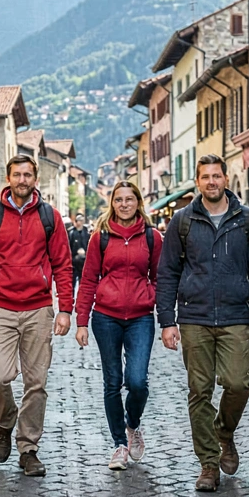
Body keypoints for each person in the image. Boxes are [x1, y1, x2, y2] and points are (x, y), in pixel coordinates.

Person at [156, 155, 249, 492]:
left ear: (225, 180)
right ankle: (208, 464)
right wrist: (167, 320)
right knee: (200, 391)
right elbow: (167, 272)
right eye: (205, 176)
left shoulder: (246, 219)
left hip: (235, 316)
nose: (212, 181)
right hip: (194, 317)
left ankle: (223, 431)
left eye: (217, 176)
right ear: (198, 181)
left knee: (238, 383)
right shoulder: (183, 220)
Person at [0, 155, 74, 477]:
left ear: (35, 179)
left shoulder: (50, 217)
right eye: (17, 174)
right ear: (8, 178)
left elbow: (63, 264)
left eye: (28, 175)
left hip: (39, 308)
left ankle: (28, 449)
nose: (22, 180)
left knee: (36, 384)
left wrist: (65, 309)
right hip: (0, 307)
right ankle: (6, 422)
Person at [74, 182, 162, 471]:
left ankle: (132, 424)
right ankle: (119, 445)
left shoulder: (151, 237)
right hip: (106, 317)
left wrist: (157, 306)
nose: (124, 204)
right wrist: (81, 321)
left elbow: (160, 278)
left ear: (138, 202)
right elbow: (88, 279)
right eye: (118, 199)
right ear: (112, 203)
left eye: (129, 199)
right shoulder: (100, 237)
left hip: (140, 317)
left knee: (137, 381)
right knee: (112, 382)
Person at [68, 213, 91, 289]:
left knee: (83, 283)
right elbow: (69, 246)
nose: (80, 222)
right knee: (72, 283)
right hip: (74, 261)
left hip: (84, 261)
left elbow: (89, 245)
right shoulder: (71, 233)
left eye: (82, 221)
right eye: (79, 220)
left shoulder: (87, 232)